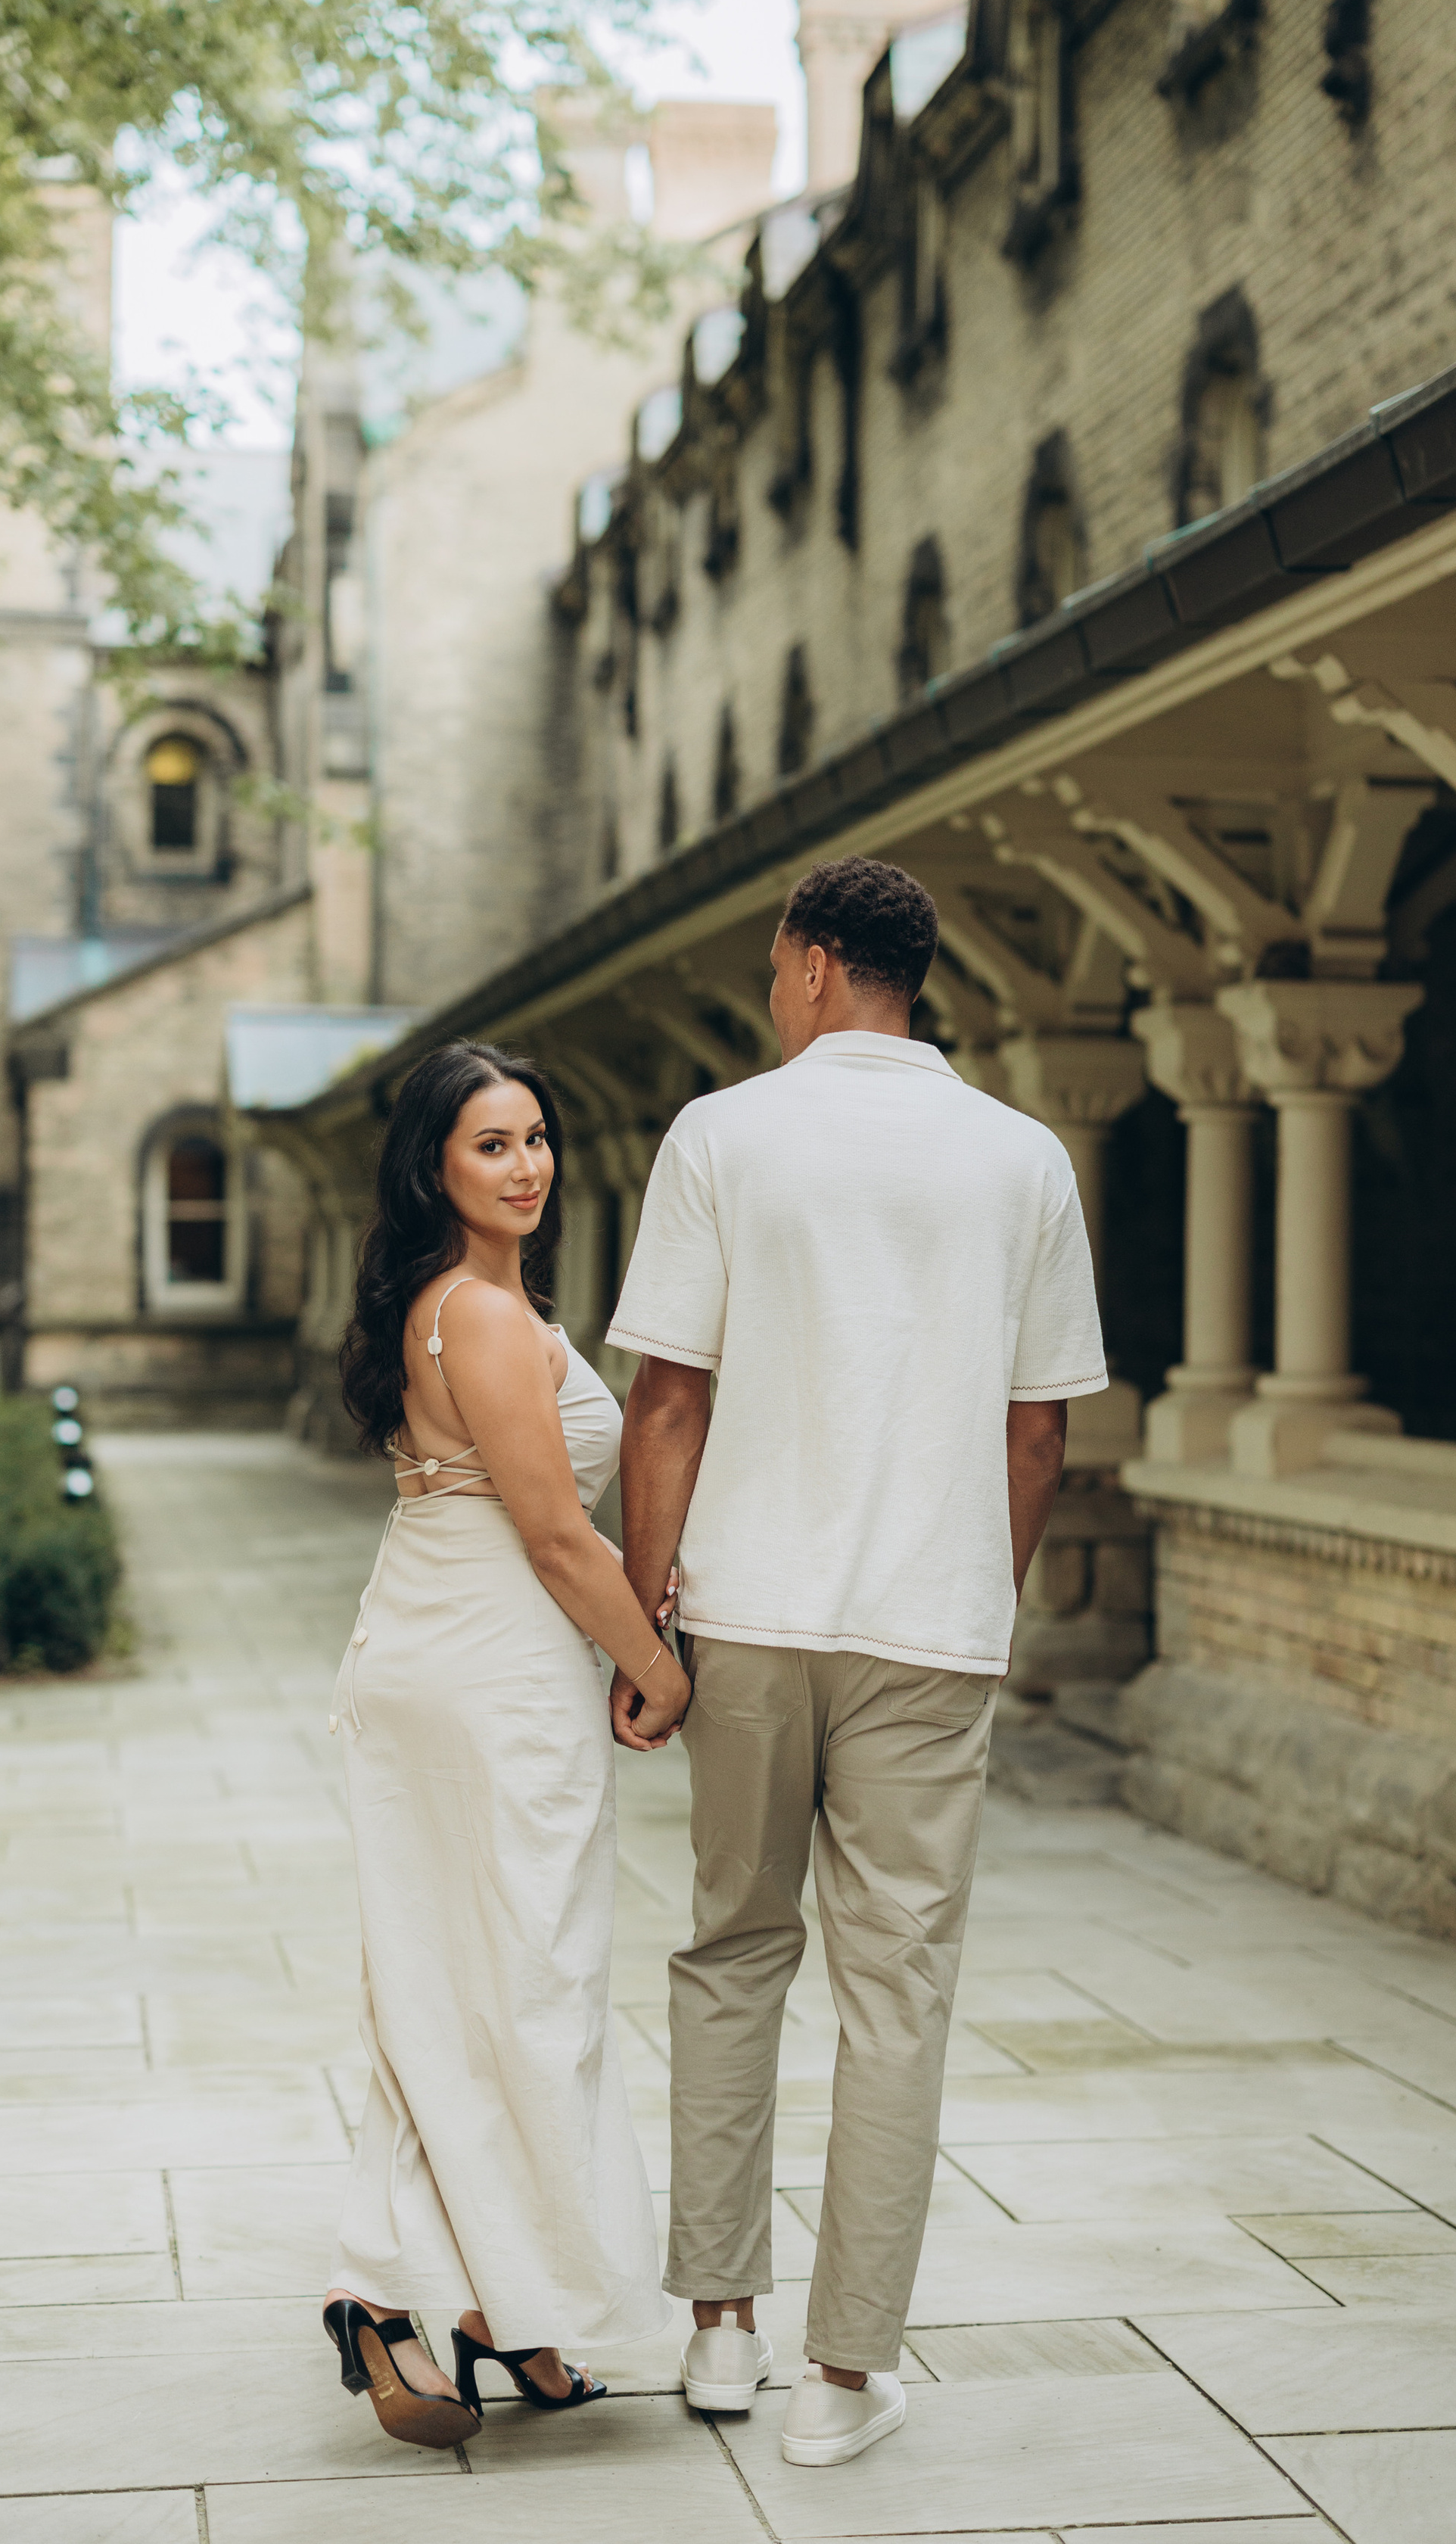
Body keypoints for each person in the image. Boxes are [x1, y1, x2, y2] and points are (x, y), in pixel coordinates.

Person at [608, 856, 1106, 2471]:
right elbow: (1036, 1430)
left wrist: (643, 1621)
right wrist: (980, 1589)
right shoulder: (1022, 1160)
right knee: (896, 1998)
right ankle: (845, 2373)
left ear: (820, 965)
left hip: (743, 1615)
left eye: (774, 963)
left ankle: (719, 2333)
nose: (770, 989)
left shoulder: (721, 1135)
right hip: (924, 1630)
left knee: (729, 1951)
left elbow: (667, 1399)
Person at [322, 1040, 685, 2450]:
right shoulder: (475, 1314)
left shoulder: (460, 1303)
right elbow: (551, 1533)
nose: (526, 1164)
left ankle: (492, 2305)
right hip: (486, 1672)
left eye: (538, 1136)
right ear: (434, 1166)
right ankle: (396, 2286)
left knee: (466, 1984)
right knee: (519, 1987)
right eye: (492, 1143)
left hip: (436, 1648)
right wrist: (660, 1669)